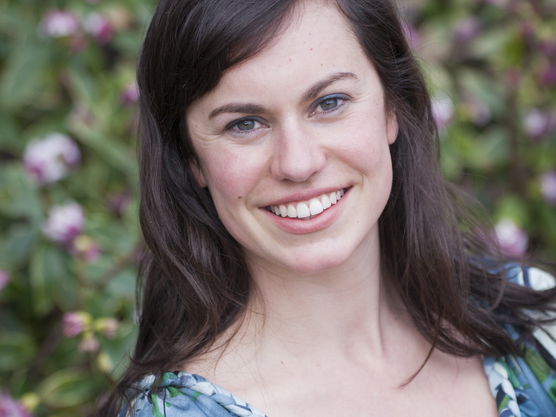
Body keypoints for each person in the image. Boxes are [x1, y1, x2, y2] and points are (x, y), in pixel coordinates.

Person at [97, 0, 556, 416]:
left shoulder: (537, 324)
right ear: (191, 158)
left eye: (329, 102)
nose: (298, 163)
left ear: (392, 108)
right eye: (245, 123)